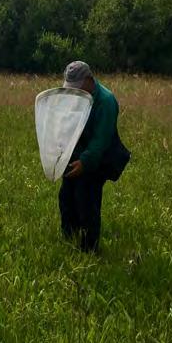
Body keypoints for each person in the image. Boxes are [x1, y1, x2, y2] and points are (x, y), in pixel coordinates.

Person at [58, 61, 130, 253]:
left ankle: (89, 249)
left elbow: (100, 140)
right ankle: (69, 239)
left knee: (86, 199)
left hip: (98, 160)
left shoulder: (106, 101)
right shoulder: (77, 97)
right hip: (77, 155)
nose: (74, 92)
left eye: (78, 86)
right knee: (66, 197)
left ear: (89, 80)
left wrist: (85, 162)